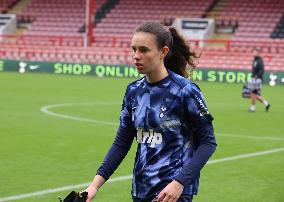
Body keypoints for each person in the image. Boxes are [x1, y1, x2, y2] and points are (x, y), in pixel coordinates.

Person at [84, 22, 217, 202]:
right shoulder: (133, 91)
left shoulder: (184, 91)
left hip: (172, 194)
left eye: (144, 50)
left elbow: (208, 142)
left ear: (163, 52)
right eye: (134, 49)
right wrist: (94, 186)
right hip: (141, 190)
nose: (136, 56)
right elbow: (122, 143)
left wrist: (180, 182)